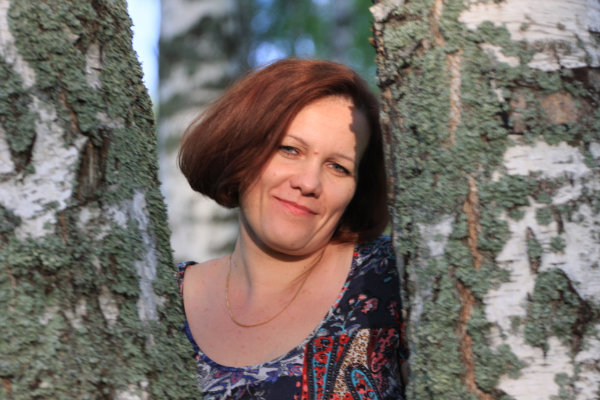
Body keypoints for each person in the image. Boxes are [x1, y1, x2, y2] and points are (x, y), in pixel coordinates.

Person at [177, 58, 407, 399]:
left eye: (338, 167)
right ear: (241, 151)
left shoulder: (393, 276)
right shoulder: (162, 300)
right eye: (289, 149)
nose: (309, 183)